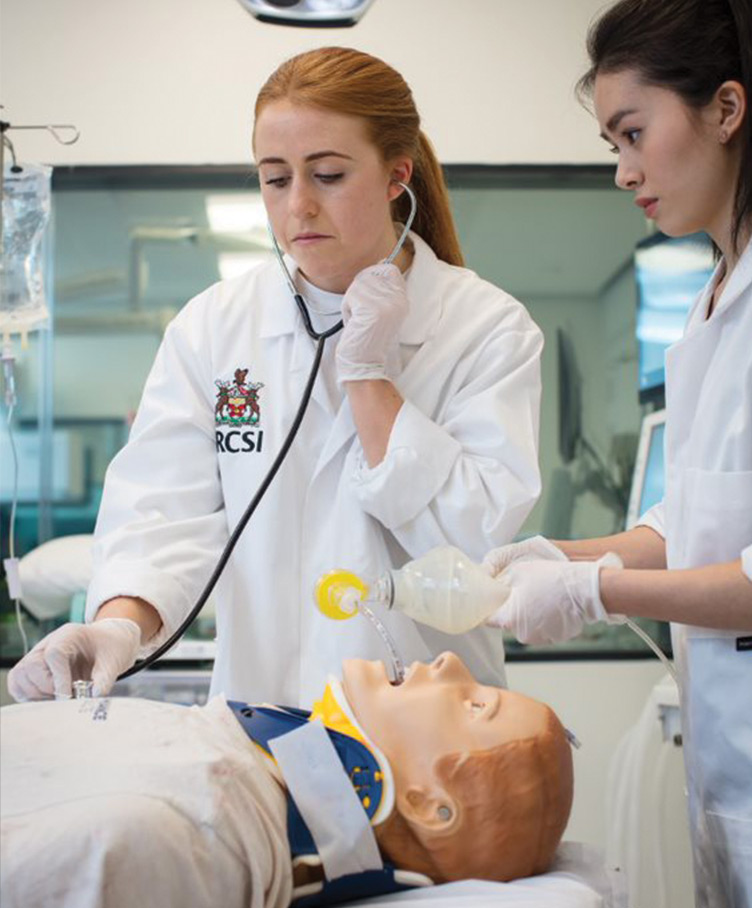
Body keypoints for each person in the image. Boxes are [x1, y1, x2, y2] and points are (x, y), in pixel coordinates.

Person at [7, 47, 543, 707]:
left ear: (396, 175)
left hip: (428, 730)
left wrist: (370, 374)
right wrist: (117, 624)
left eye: (327, 175)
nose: (299, 207)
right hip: (261, 719)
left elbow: (474, 544)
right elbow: (161, 513)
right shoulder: (215, 327)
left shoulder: (484, 326)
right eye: (275, 178)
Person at [481, 2, 752, 905]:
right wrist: (569, 556)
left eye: (633, 134)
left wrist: (597, 591)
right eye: (611, 146)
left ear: (726, 107)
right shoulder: (712, 303)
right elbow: (696, 519)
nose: (623, 172)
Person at [0, 653, 574, 908]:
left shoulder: (186, 833)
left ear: (427, 804)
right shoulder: (230, 771)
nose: (449, 661)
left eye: (475, 705)